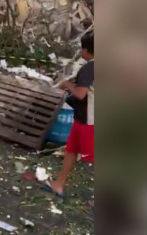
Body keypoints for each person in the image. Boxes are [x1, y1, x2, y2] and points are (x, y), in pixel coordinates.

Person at [43, 32, 93, 198]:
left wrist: (67, 85)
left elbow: (80, 95)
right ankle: (59, 184)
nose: (80, 52)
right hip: (82, 118)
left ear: (86, 50)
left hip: (90, 121)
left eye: (81, 49)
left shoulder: (88, 68)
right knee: (71, 150)